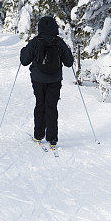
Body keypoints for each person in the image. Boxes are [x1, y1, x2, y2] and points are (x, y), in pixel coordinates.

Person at [19, 15, 74, 147]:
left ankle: (38, 136)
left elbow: (24, 61)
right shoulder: (59, 42)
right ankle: (52, 138)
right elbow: (69, 62)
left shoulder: (35, 41)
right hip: (55, 80)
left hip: (38, 79)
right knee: (51, 107)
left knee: (40, 105)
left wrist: (23, 51)